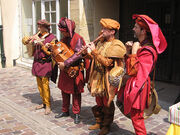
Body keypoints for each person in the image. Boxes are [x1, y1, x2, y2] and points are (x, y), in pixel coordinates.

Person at [117, 14, 167, 135]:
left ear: (143, 31)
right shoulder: (141, 46)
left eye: (136, 27)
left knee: (137, 118)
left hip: (139, 86)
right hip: (134, 83)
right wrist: (129, 52)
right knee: (135, 117)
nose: (133, 29)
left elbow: (137, 72)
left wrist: (134, 52)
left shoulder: (148, 50)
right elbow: (129, 68)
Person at [83, 18, 126, 135]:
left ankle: (106, 126)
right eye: (102, 28)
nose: (102, 31)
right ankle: (99, 122)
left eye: (105, 29)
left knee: (107, 102)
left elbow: (107, 63)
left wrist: (95, 51)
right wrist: (85, 53)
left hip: (107, 78)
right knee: (99, 101)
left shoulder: (116, 45)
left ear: (112, 31)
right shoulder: (101, 42)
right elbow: (93, 58)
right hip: (97, 76)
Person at [54, 17, 89, 124]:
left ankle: (77, 113)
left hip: (75, 70)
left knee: (76, 92)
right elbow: (60, 51)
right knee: (64, 91)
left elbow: (77, 55)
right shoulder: (64, 39)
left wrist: (65, 63)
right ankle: (65, 111)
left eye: (63, 31)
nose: (62, 33)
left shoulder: (77, 38)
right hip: (65, 71)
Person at [22, 19, 57, 115]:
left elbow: (52, 53)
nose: (38, 28)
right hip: (37, 63)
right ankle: (44, 103)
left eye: (40, 27)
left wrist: (41, 43)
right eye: (38, 26)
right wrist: (29, 40)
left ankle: (48, 105)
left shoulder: (52, 38)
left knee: (45, 85)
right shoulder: (37, 35)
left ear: (45, 27)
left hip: (45, 63)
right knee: (39, 85)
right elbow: (24, 42)